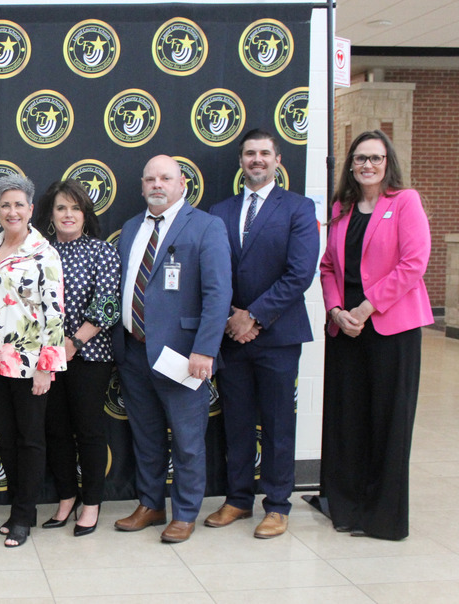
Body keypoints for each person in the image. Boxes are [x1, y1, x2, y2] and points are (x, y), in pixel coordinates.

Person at [206, 129, 320, 539]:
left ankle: (277, 504)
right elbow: (211, 275)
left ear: (277, 160)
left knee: (276, 424)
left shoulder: (299, 208)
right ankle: (238, 499)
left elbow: (299, 273)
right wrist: (229, 319)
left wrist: (252, 317)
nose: (257, 159)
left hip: (277, 336)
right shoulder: (220, 211)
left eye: (264, 153)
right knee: (235, 422)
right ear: (240, 161)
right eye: (250, 153)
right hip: (230, 338)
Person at [111, 155, 231, 544]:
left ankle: (185, 513)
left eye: (166, 178)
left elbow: (218, 294)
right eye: (150, 179)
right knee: (145, 436)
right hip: (133, 352)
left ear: (182, 184)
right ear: (142, 186)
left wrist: (205, 350)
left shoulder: (207, 226)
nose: (157, 185)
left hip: (183, 355)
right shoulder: (131, 228)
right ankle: (150, 504)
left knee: (187, 438)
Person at [319, 130, 432, 540]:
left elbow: (413, 263)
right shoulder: (341, 208)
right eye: (361, 158)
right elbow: (328, 267)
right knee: (350, 422)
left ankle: (382, 517)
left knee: (388, 423)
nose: (368, 165)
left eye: (376, 158)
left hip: (390, 328)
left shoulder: (405, 202)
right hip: (346, 330)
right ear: (350, 164)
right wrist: (336, 310)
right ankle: (348, 508)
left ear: (388, 164)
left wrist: (366, 307)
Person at [0, 174, 67, 548]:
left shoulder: (45, 252)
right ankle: (18, 507)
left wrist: (46, 365)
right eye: (5, 204)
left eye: (19, 204)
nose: (12, 211)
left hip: (29, 363)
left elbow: (55, 313)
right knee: (6, 439)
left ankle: (24, 514)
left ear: (31, 209)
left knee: (30, 440)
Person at [34, 180, 121, 537]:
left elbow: (107, 303)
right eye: (61, 208)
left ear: (85, 214)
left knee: (88, 431)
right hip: (47, 359)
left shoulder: (101, 251)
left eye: (75, 208)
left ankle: (91, 503)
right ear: (51, 216)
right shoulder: (40, 252)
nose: (68, 214)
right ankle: (66, 499)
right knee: (55, 432)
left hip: (89, 356)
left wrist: (73, 343)